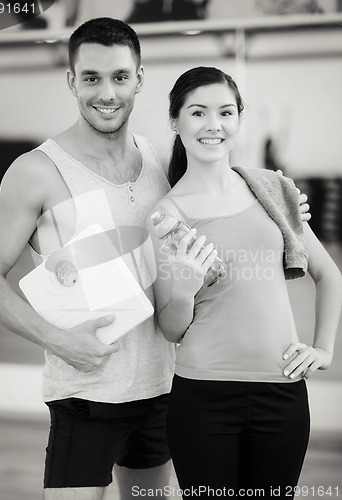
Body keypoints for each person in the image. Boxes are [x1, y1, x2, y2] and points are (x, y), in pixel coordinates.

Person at [0, 18, 310, 500]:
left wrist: (286, 205)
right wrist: (60, 341)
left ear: (139, 79)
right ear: (72, 81)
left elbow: (226, 200)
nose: (105, 92)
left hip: (163, 391)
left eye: (119, 77)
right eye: (90, 78)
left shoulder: (161, 163)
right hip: (84, 395)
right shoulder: (35, 172)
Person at [146, 66, 342, 499]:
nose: (212, 125)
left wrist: (323, 349)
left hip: (283, 392)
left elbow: (329, 274)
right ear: (175, 123)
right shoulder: (167, 216)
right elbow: (171, 327)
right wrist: (185, 285)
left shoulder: (272, 190)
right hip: (203, 398)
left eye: (225, 112)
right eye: (197, 113)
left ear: (238, 119)